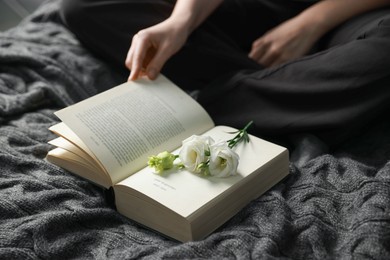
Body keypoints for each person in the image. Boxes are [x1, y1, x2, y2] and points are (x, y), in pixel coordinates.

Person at [60, 0, 390, 162]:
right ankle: (301, 90)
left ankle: (197, 110)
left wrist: (311, 22)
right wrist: (180, 23)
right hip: (245, 9)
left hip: (349, 14)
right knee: (82, 4)